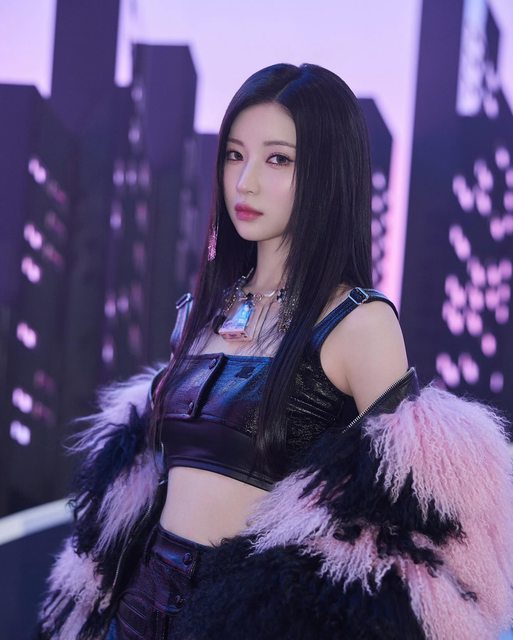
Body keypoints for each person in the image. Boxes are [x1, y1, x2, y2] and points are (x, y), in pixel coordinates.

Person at [38, 63, 513, 640]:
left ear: (327, 174)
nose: (245, 183)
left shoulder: (359, 323)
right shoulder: (200, 312)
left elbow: (409, 530)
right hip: (135, 611)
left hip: (246, 620)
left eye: (278, 160)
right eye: (234, 155)